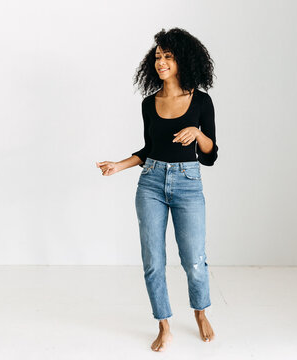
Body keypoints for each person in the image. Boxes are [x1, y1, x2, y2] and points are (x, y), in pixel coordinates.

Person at [96, 28, 218, 351]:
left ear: (183, 60)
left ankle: (200, 312)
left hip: (188, 183)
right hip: (150, 182)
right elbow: (150, 149)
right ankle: (164, 324)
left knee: (194, 258)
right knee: (153, 260)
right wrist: (118, 165)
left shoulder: (201, 101)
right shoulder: (150, 104)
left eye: (168, 56)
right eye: (158, 56)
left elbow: (211, 154)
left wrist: (197, 133)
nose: (160, 61)